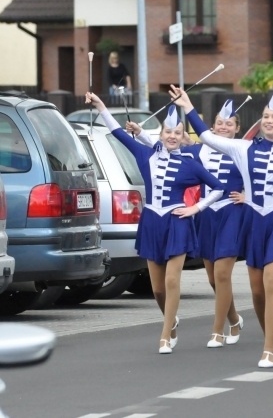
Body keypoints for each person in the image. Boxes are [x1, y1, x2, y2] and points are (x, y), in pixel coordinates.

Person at [171, 87, 273, 368]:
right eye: (266, 116)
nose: (269, 120)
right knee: (257, 290)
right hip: (255, 221)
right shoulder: (243, 148)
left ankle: (270, 348)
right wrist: (188, 107)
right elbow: (208, 137)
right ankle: (268, 333)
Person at [85, 93, 224, 354]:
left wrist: (196, 207)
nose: (172, 135)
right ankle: (171, 320)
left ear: (184, 136)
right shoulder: (145, 155)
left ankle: (164, 334)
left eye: (177, 132)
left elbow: (217, 187)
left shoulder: (189, 164)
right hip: (151, 222)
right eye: (168, 131)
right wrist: (101, 106)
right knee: (158, 288)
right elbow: (117, 132)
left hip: (177, 222)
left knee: (172, 281)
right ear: (161, 134)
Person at [130, 101, 246, 348]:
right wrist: (140, 135)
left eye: (229, 124)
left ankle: (218, 330)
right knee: (214, 279)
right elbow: (163, 151)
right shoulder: (198, 152)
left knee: (223, 274)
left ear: (238, 128)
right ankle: (234, 319)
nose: (224, 127)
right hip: (205, 217)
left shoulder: (243, 150)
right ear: (211, 126)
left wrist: (249, 196)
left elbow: (263, 176)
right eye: (219, 123)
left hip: (232, 213)